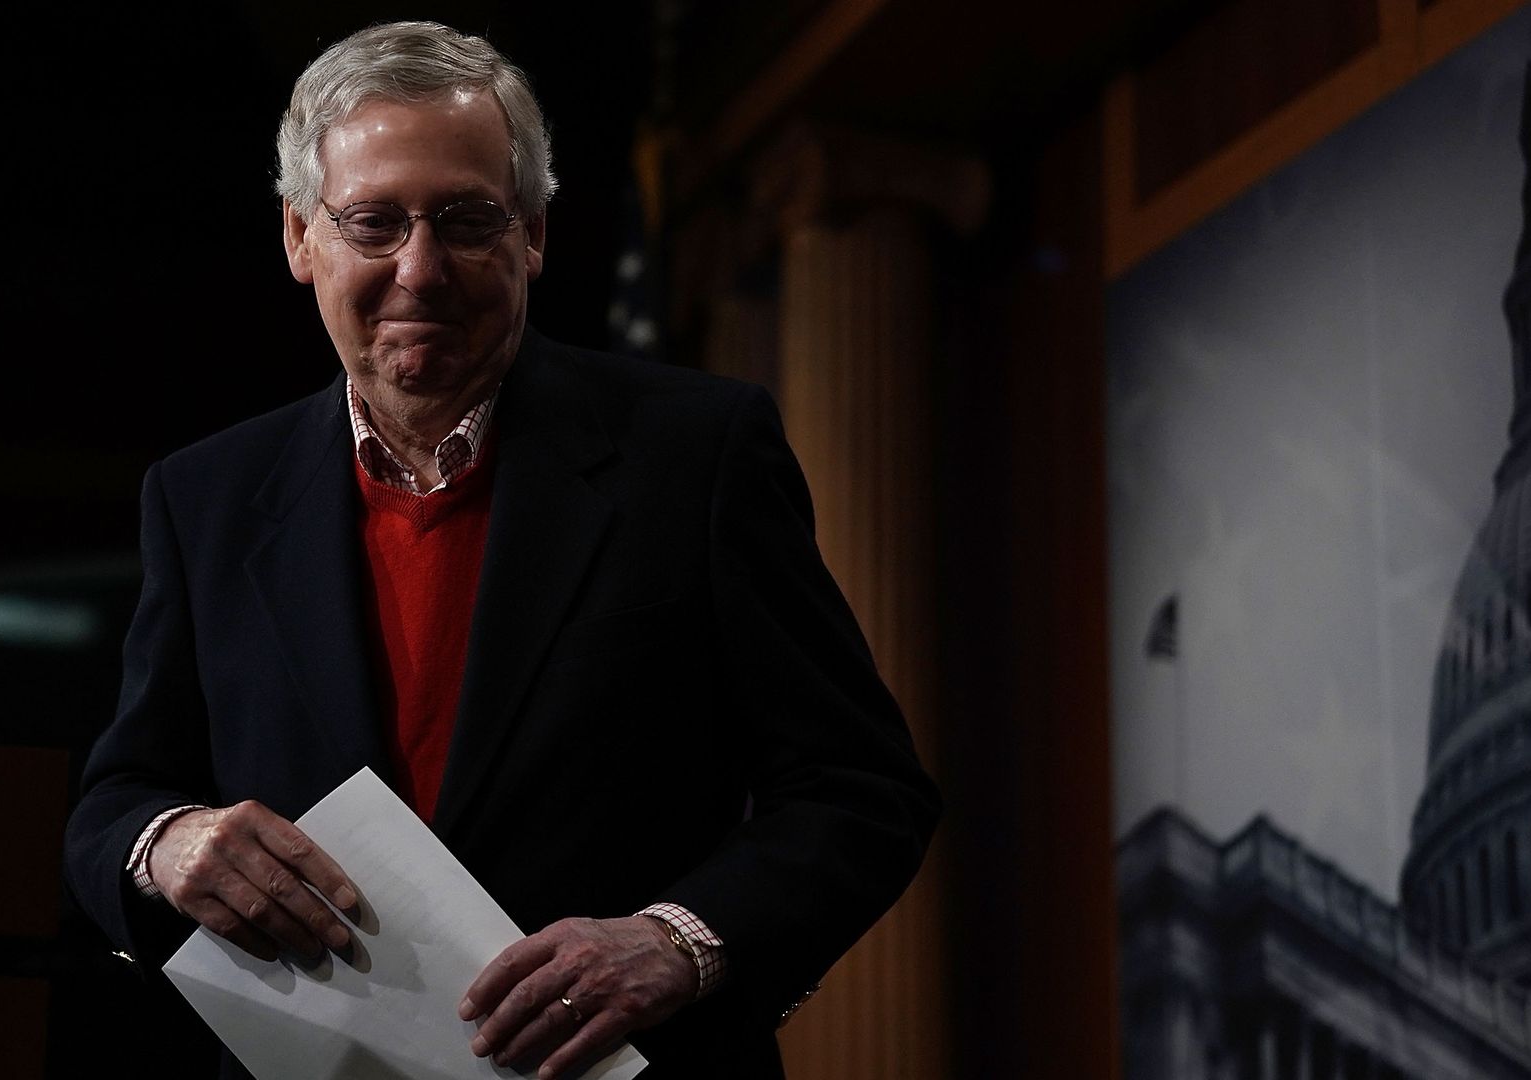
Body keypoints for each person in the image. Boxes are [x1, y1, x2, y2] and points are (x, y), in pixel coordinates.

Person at [62, 20, 939, 1080]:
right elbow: (117, 799)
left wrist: (679, 941)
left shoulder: (696, 454)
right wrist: (171, 844)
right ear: (301, 239)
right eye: (373, 223)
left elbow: (860, 789)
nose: (420, 271)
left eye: (468, 220)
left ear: (532, 234)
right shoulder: (205, 497)